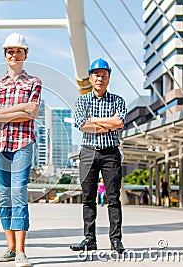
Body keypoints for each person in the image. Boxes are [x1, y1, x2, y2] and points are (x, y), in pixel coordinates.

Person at [0, 32, 41, 267]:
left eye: (18, 51)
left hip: (23, 144)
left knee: (19, 194)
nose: (14, 54)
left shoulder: (34, 82)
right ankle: (9, 247)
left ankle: (21, 251)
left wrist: (4, 112)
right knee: (4, 197)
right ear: (5, 54)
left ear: (25, 54)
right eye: (10, 51)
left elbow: (32, 113)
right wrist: (22, 108)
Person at [71, 58, 127, 254]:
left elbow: (119, 122)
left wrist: (94, 121)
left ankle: (116, 240)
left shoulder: (118, 100)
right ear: (90, 77)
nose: (100, 78)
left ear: (109, 78)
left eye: (104, 75)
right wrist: (107, 123)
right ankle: (89, 238)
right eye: (96, 75)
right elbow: (82, 124)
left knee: (113, 197)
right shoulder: (82, 100)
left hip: (110, 153)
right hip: (88, 153)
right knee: (88, 197)